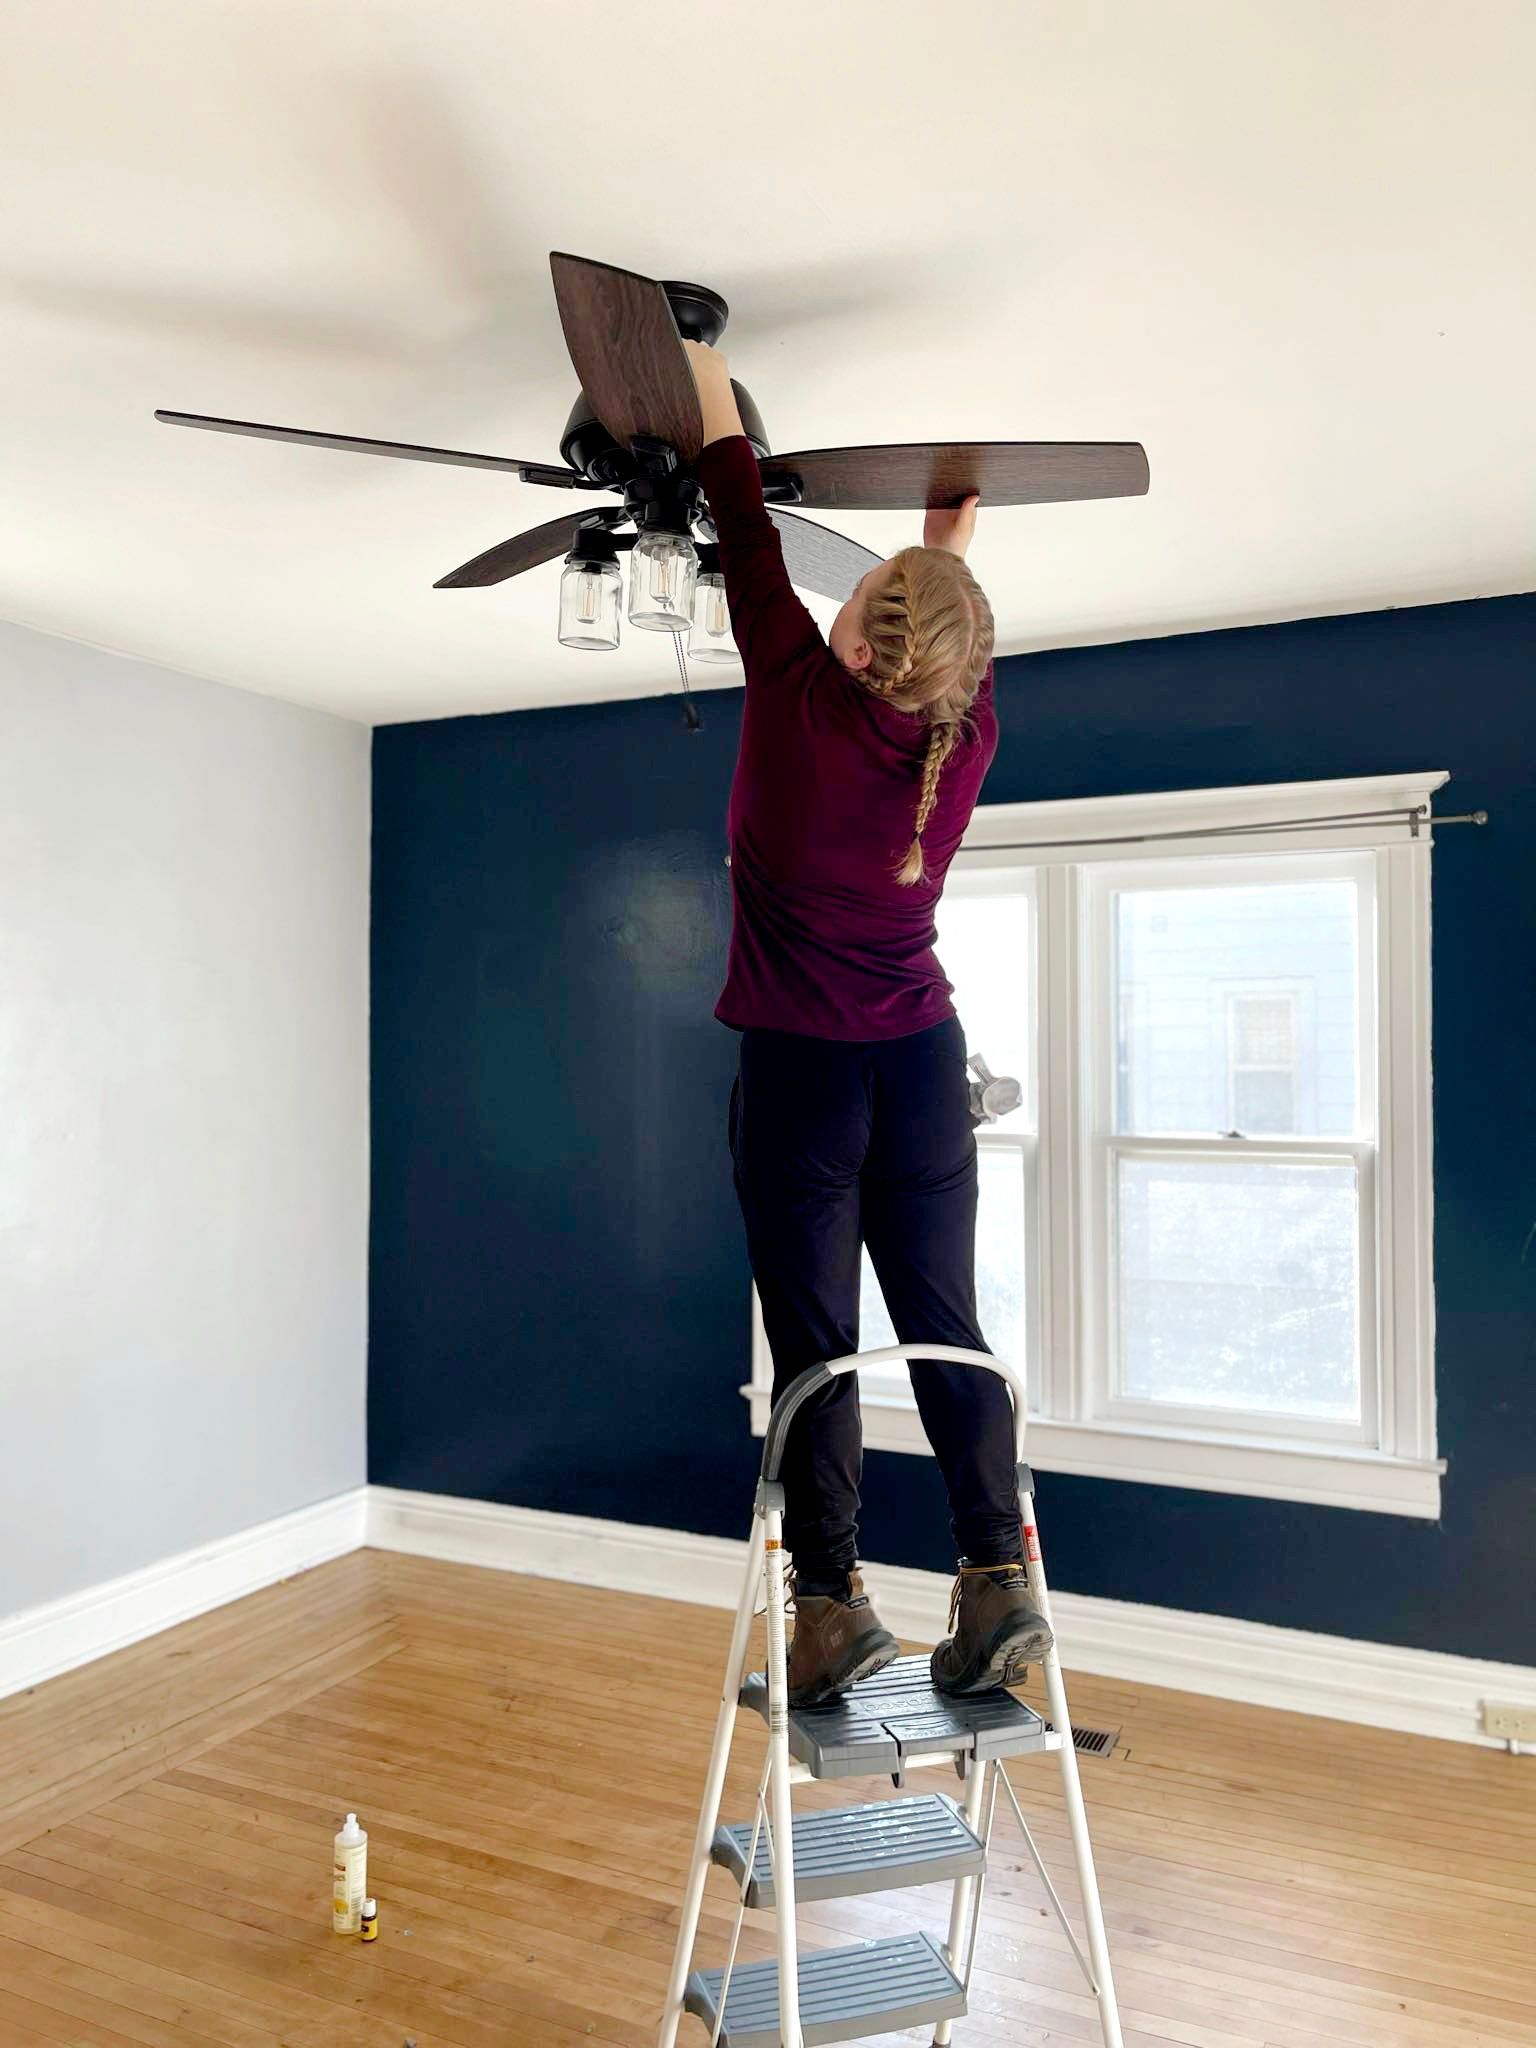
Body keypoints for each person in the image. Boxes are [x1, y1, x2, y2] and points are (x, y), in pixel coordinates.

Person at [686, 340, 1053, 1707]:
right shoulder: (966, 735)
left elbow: (736, 509)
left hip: (803, 1075)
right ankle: (997, 1576)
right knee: (946, 1321)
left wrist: (698, 363)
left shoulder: (792, 698)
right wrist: (945, 544)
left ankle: (834, 1607)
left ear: (854, 634)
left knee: (816, 1346)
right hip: (920, 1066)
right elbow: (936, 623)